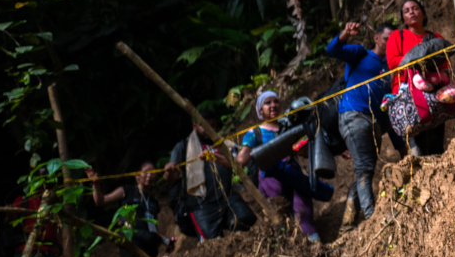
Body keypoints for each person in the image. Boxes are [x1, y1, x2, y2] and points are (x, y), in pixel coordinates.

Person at [326, 20, 393, 228]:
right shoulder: (361, 54)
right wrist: (346, 33)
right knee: (364, 167)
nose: (389, 43)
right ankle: (371, 215)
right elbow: (332, 49)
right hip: (354, 115)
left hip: (373, 121)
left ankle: (349, 215)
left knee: (367, 169)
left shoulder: (387, 68)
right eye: (385, 39)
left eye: (392, 40)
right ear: (376, 38)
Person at [242, 91, 332, 243]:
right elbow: (241, 160)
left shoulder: (288, 125)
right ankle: (290, 250)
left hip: (293, 174)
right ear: (260, 110)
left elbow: (303, 152)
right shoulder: (254, 134)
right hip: (270, 181)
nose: (273, 105)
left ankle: (316, 246)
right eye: (267, 103)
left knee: (304, 210)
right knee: (281, 218)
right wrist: (220, 159)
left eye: (275, 101)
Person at [163, 111, 257, 241]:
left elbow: (241, 161)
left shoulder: (224, 144)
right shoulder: (183, 147)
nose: (210, 129)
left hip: (227, 196)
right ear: (195, 126)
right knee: (212, 244)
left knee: (245, 219)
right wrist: (169, 172)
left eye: (213, 126)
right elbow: (171, 179)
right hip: (201, 204)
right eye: (205, 126)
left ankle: (237, 249)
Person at [383, 0, 455, 156]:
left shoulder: (436, 37)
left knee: (437, 145)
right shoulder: (397, 36)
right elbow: (393, 62)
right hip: (408, 96)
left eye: (415, 8)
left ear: (423, 13)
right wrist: (419, 61)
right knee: (417, 148)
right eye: (407, 11)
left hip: (435, 93)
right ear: (403, 19)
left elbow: (445, 66)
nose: (411, 12)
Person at [86, 162, 166, 257]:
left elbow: (154, 228)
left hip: (149, 243)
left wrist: (166, 240)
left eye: (152, 173)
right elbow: (101, 201)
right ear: (137, 176)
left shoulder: (154, 202)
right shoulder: (126, 190)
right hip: (131, 239)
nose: (149, 175)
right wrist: (95, 184)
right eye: (146, 172)